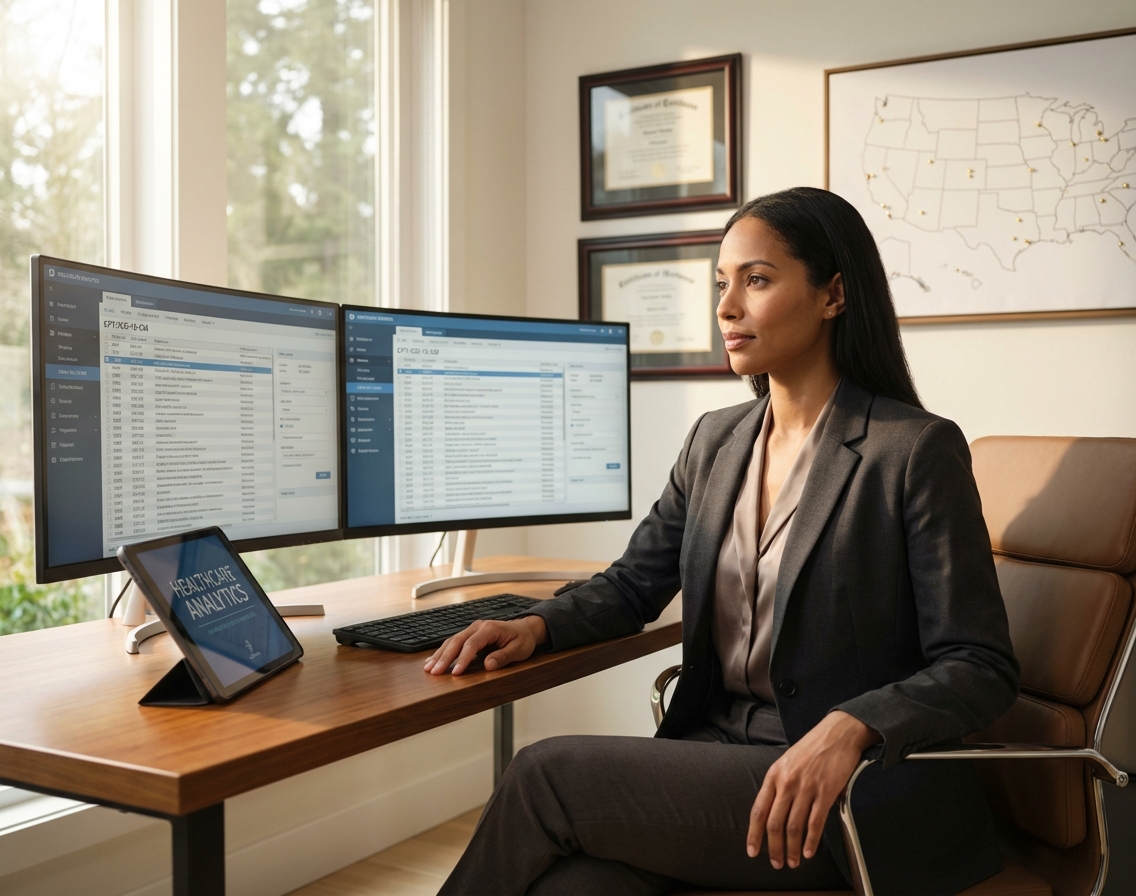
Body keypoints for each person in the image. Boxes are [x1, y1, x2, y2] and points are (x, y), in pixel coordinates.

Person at [425, 187, 1020, 896]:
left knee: (544, 773)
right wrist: (534, 624)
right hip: (715, 759)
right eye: (720, 283)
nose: (726, 308)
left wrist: (853, 725)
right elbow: (630, 586)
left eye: (757, 280)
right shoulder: (716, 441)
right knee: (574, 888)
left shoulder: (913, 450)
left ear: (833, 294)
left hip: (846, 795)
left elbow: (979, 664)